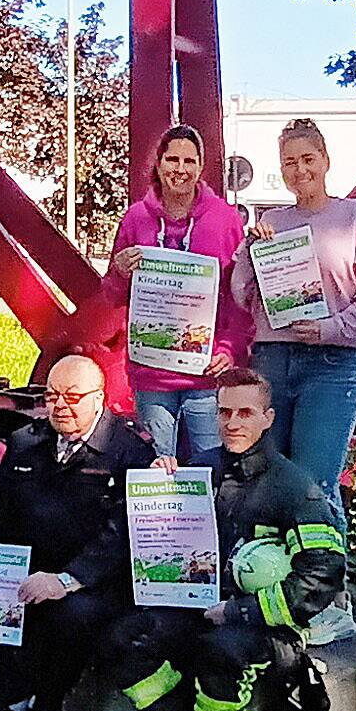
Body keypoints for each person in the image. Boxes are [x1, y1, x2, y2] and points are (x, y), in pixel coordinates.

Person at [100, 368, 346, 711]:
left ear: (268, 418)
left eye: (245, 413)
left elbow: (320, 577)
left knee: (219, 653)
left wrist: (239, 612)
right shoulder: (202, 468)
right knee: (125, 639)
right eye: (224, 412)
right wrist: (164, 483)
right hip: (198, 604)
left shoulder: (296, 489)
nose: (233, 422)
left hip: (266, 624)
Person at [0, 354, 154, 711]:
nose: (61, 406)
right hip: (26, 566)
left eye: (72, 397)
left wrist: (67, 580)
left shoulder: (129, 452)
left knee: (71, 616)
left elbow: (123, 533)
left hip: (91, 579)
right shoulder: (27, 441)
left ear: (99, 398)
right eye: (52, 396)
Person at [230, 118, 356, 644]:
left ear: (325, 160)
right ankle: (272, 584)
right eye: (289, 162)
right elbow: (242, 294)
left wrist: (332, 327)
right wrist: (250, 253)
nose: (299, 170)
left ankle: (328, 597)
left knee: (316, 479)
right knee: (269, 475)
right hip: (275, 359)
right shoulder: (270, 223)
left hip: (332, 362)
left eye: (308, 159)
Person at [108, 124, 252, 462]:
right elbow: (113, 295)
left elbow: (240, 295)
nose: (180, 169)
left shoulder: (225, 220)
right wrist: (119, 271)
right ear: (158, 165)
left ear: (201, 167)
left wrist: (229, 349)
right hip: (152, 375)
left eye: (189, 161)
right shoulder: (135, 219)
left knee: (211, 468)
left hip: (205, 374)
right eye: (172, 159)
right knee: (156, 472)